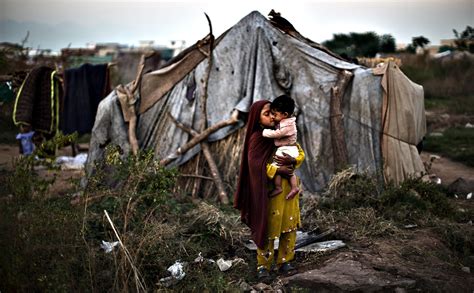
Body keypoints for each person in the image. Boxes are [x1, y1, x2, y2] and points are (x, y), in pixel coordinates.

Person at [234, 100, 305, 281]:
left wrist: (294, 161)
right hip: (270, 193)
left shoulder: (284, 132)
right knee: (268, 228)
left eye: (273, 113)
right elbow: (255, 165)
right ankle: (263, 265)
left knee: (289, 227)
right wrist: (276, 170)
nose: (272, 117)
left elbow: (299, 151)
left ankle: (285, 261)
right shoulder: (258, 138)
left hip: (289, 191)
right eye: (267, 114)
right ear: (257, 120)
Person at [262, 95, 299, 199]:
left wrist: (264, 132)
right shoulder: (283, 122)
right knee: (280, 167)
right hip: (286, 148)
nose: (272, 116)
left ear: (285, 114)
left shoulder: (288, 125)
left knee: (283, 169)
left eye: (274, 114)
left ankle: (292, 187)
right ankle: (280, 187)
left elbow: (278, 134)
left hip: (288, 149)